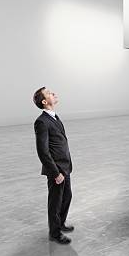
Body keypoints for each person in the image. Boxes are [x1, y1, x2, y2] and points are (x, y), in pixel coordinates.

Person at [33, 87, 74, 245]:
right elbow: (43, 151)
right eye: (49, 93)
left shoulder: (55, 117)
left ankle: (60, 223)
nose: (54, 94)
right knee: (55, 202)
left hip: (65, 167)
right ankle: (54, 233)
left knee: (67, 197)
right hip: (56, 170)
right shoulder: (41, 122)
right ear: (44, 101)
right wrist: (56, 173)